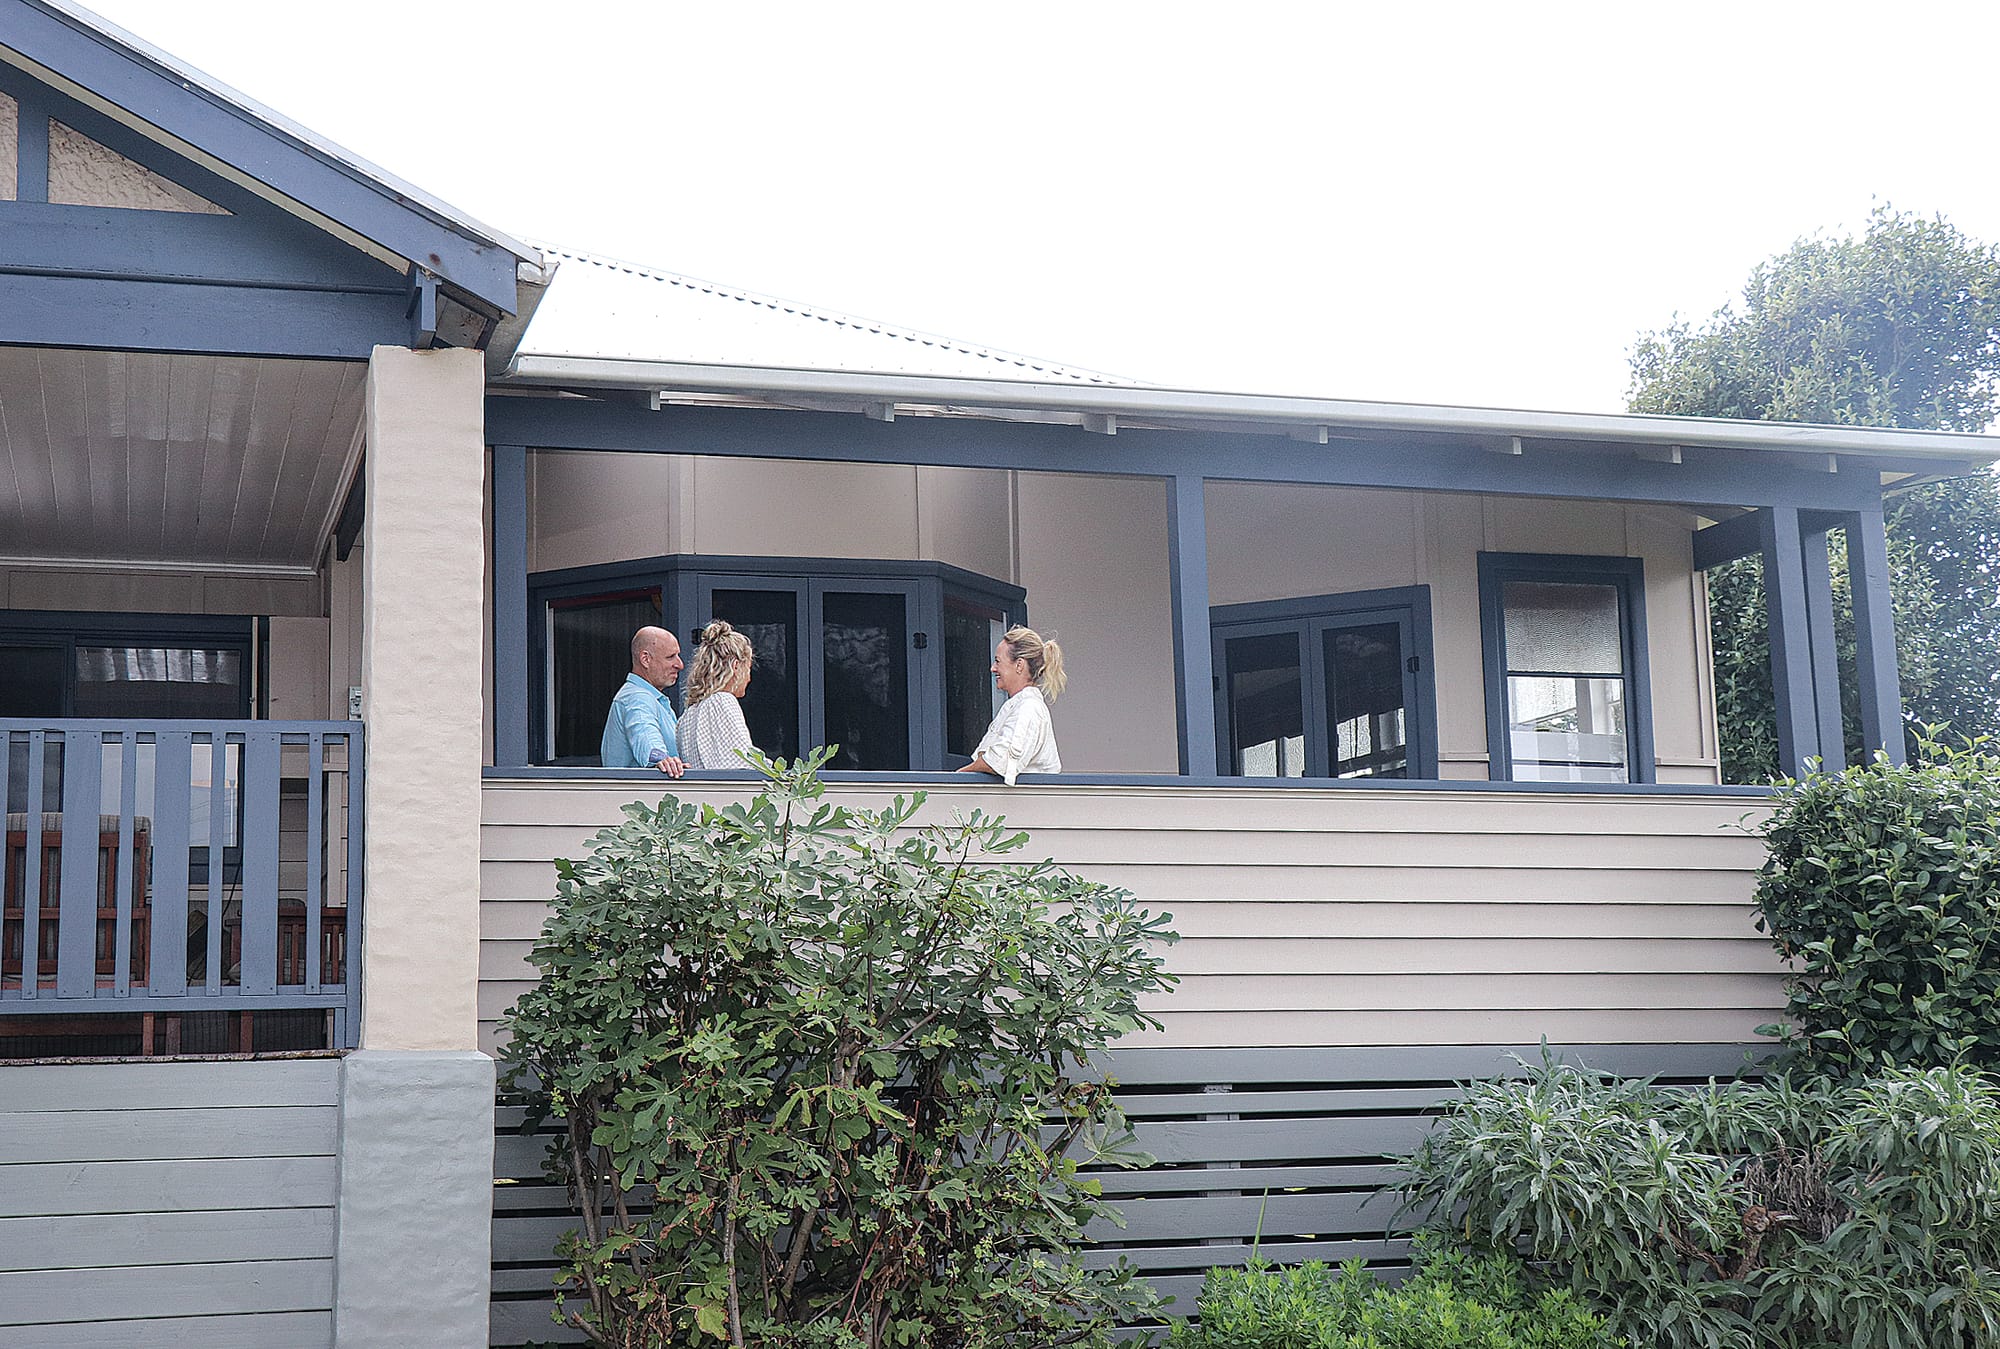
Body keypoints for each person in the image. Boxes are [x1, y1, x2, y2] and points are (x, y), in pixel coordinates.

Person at [958, 625, 1064, 784]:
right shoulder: (1020, 705)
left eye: (998, 661)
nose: (993, 668)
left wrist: (959, 775)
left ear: (1019, 665)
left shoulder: (1028, 708)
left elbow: (1000, 760)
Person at [600, 626, 687, 776]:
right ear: (645, 659)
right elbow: (645, 735)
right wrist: (662, 759)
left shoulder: (652, 698)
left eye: (678, 656)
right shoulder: (637, 698)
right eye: (670, 657)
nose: (680, 665)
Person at [677, 620, 760, 769]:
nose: (749, 678)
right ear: (736, 666)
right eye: (748, 669)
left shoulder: (688, 715)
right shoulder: (722, 701)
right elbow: (742, 764)